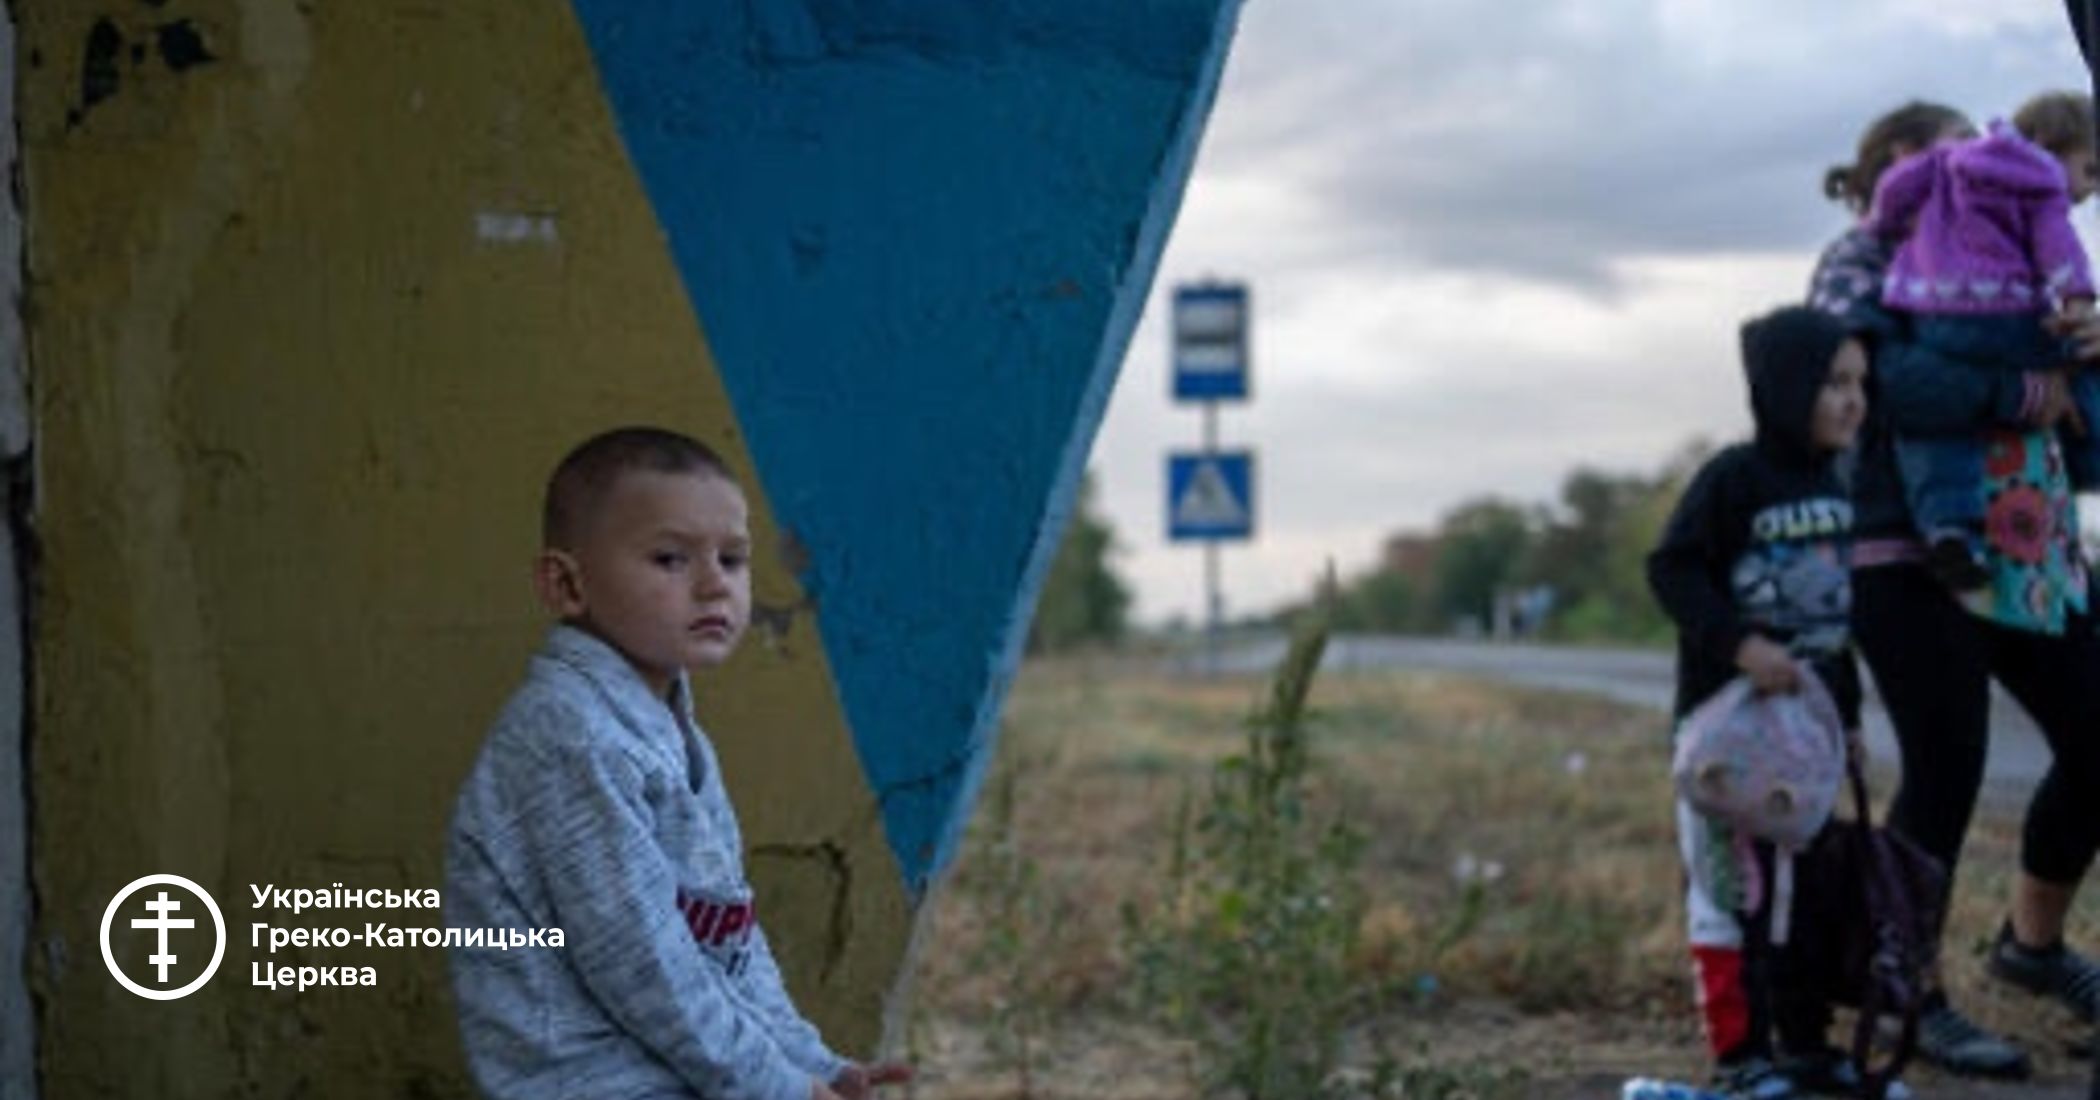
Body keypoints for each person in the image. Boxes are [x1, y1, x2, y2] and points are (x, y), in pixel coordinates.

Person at [444, 427, 910, 1100]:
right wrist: (779, 1086)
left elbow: (728, 940)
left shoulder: (667, 729)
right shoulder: (570, 737)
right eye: (670, 559)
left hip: (672, 1070)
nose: (715, 585)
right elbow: (645, 970)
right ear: (566, 584)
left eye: (733, 559)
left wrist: (812, 1062)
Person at [1813, 100, 2100, 1079]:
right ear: (1901, 158)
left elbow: (2076, 421)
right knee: (1946, 770)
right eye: (1958, 151)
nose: (1979, 168)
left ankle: (2032, 947)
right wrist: (2018, 391)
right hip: (1905, 550)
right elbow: (1878, 390)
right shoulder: (1857, 261)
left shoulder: (2016, 253)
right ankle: (1905, 992)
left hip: (2028, 543)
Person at [1647, 306, 1873, 1099]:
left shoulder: (1838, 482)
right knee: (1729, 890)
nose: (1854, 400)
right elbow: (1672, 569)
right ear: (1786, 387)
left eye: (1860, 384)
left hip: (1805, 737)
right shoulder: (1733, 478)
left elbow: (1836, 623)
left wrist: (1849, 718)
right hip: (1728, 736)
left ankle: (1803, 1043)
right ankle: (1741, 1055)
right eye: (1835, 383)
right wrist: (1740, 645)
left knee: (1803, 890)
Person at [1862, 92, 2100, 593]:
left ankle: (1949, 526)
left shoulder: (1944, 169)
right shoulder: (2041, 180)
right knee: (2081, 353)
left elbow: (1893, 193)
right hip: (2011, 316)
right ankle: (2091, 454)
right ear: (2048, 145)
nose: (2090, 190)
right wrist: (2079, 301)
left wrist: (1884, 223)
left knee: (1937, 431)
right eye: (2091, 171)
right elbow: (2059, 247)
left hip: (1936, 314)